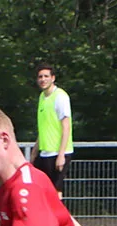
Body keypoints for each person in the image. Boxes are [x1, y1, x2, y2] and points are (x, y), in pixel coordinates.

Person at [33, 64, 73, 199]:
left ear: (53, 78)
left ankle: (60, 220)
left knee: (56, 193)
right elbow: (43, 127)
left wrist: (61, 155)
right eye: (40, 77)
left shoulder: (60, 97)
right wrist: (34, 152)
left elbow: (66, 126)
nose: (43, 79)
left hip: (58, 152)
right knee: (42, 190)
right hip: (45, 152)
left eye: (46, 76)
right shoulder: (42, 97)